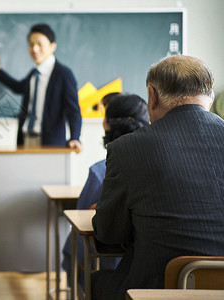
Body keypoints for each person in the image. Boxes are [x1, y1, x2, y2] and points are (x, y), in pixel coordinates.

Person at [91, 55, 224, 299]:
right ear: (210, 96)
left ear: (152, 96)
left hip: (157, 288)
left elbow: (107, 234)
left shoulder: (127, 148)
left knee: (96, 280)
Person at [60, 92, 149, 289]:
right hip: (164, 268)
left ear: (107, 125)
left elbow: (83, 222)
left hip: (112, 266)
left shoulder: (100, 171)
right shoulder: (158, 166)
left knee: (73, 247)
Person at [0, 23, 82, 151]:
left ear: (52, 46)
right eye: (31, 44)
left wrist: (75, 138)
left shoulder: (63, 74)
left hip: (50, 143)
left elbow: (73, 110)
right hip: (25, 139)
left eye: (40, 44)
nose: (34, 49)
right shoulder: (33, 74)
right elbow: (17, 87)